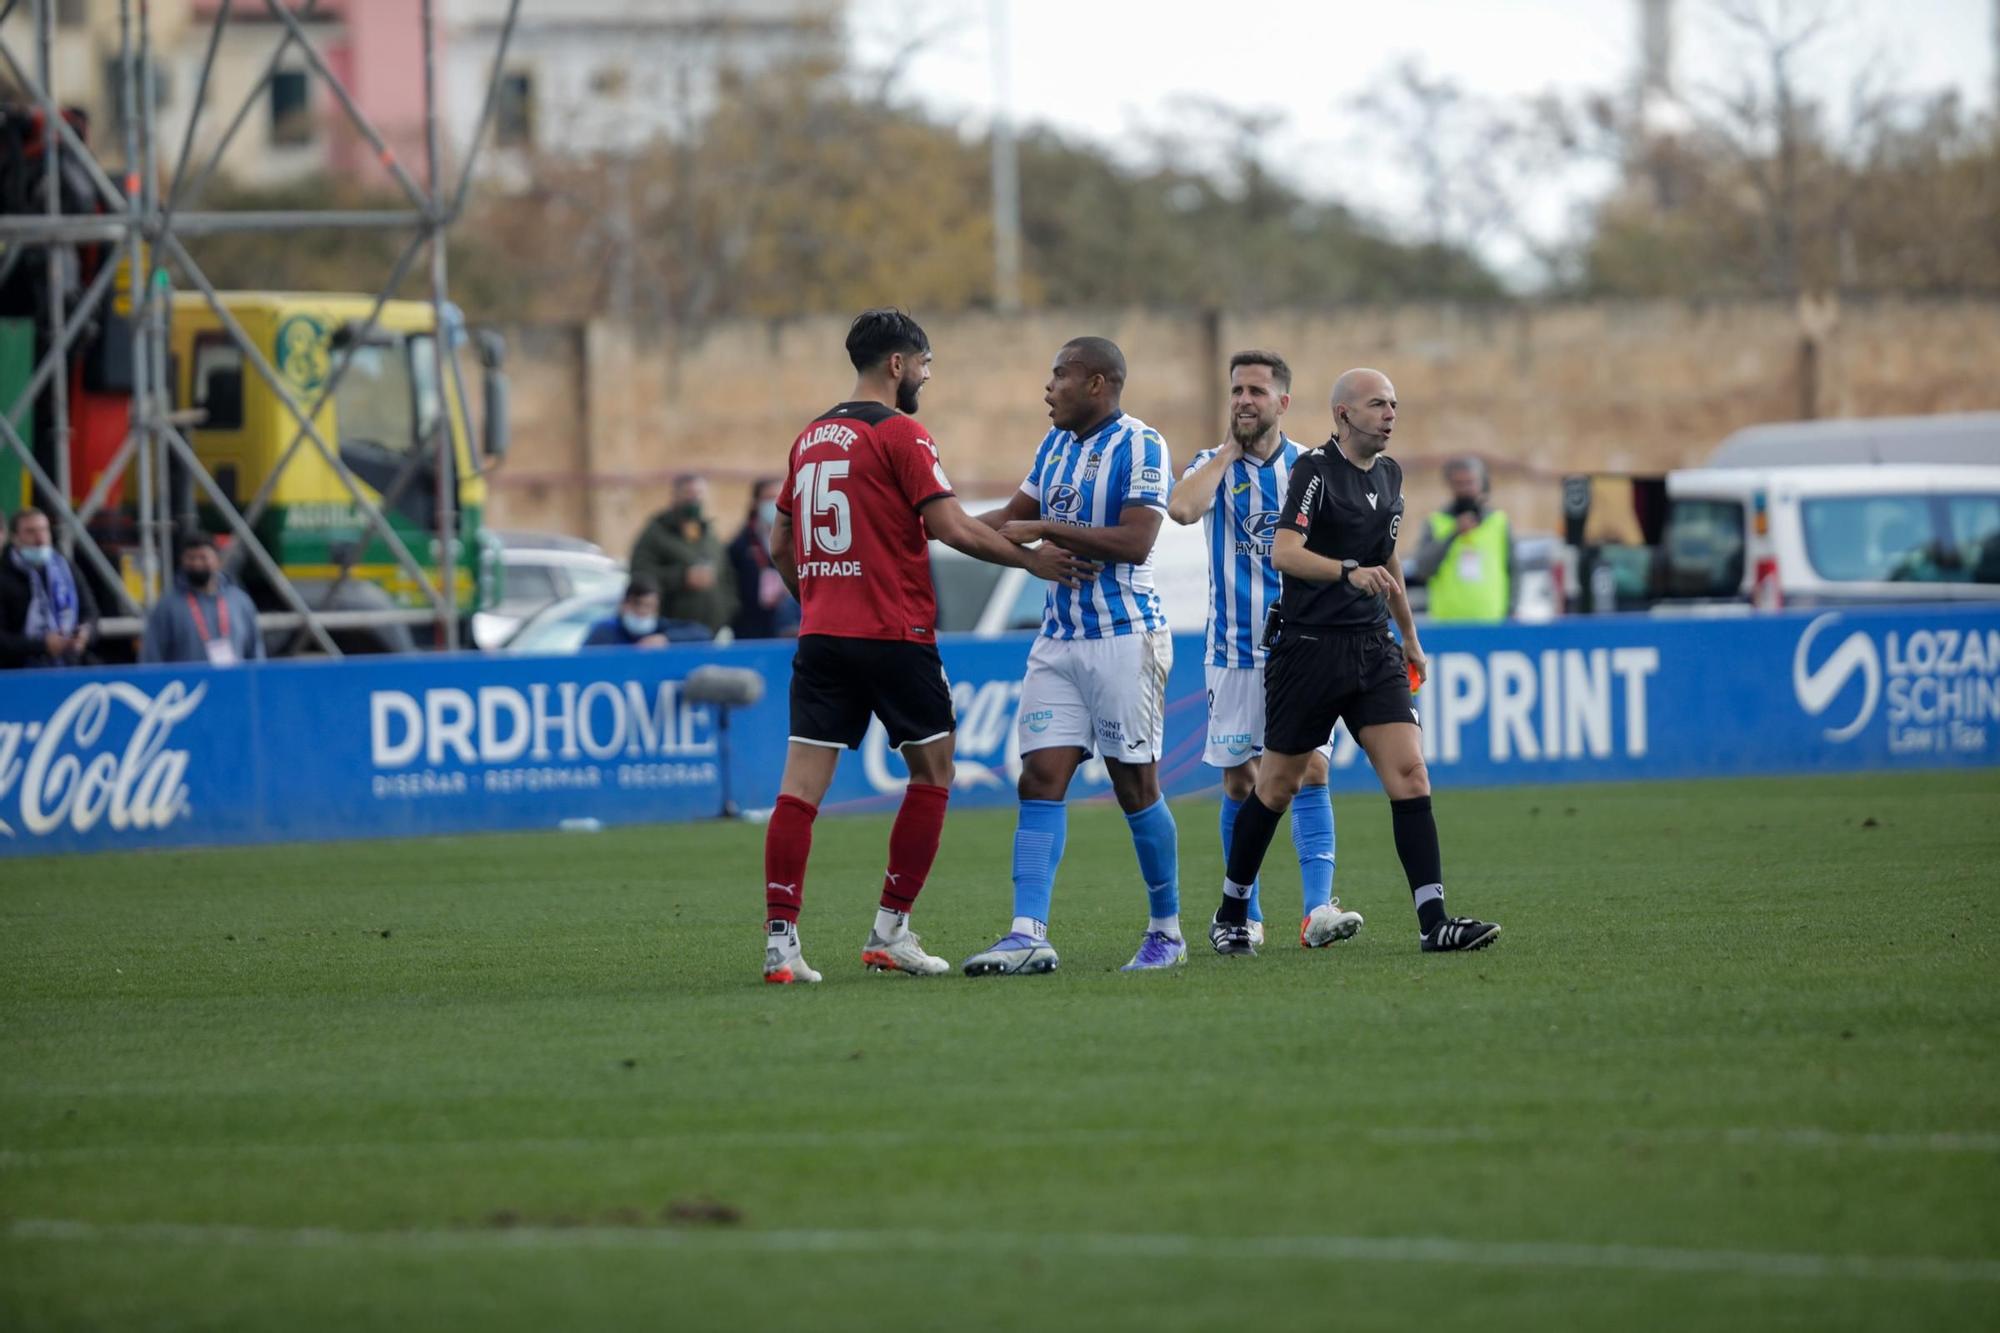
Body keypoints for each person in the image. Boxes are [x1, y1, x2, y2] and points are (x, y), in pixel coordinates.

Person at [760, 309, 1092, 984]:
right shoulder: (901, 432)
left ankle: (781, 945)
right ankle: (890, 931)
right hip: (893, 634)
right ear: (896, 364)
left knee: (798, 792)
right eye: (925, 364)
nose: (927, 376)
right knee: (934, 772)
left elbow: (777, 546)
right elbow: (953, 528)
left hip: (822, 635)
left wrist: (821, 601)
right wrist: (1029, 562)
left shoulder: (808, 438)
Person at [1207, 368, 1500, 956]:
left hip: (1372, 648)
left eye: (1394, 404)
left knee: (1410, 773)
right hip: (1309, 649)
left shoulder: (1390, 475)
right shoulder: (1314, 472)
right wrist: (1346, 571)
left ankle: (1433, 921)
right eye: (1377, 404)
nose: (1390, 414)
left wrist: (1409, 636)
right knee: (1276, 785)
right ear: (1343, 414)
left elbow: (1385, 558)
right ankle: (1232, 909)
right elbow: (1285, 551)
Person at [960, 336, 1185, 976]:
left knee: (1133, 784)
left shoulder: (1142, 444)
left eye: (1060, 375)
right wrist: (930, 523)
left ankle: (1166, 931)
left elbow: (1137, 541)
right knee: (1039, 778)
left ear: (1098, 383)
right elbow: (1008, 517)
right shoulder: (1055, 444)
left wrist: (1045, 530)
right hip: (1057, 639)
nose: (1048, 387)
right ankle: (1028, 932)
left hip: (1124, 636)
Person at [1166, 351, 1361, 952]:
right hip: (1232, 651)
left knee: (1312, 769)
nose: (1244, 400)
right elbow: (1181, 509)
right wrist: (1227, 452)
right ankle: (1241, 915)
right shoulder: (1211, 464)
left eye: (1256, 390)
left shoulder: (1310, 466)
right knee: (1240, 783)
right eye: (1236, 391)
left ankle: (1317, 910)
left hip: (1303, 647)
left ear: (1283, 402)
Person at [630, 474, 738, 634]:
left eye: (699, 493)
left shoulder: (708, 533)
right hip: (675, 632)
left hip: (714, 632)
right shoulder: (656, 533)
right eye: (689, 493)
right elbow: (640, 574)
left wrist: (729, 608)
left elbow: (726, 575)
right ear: (675, 496)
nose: (694, 499)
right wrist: (682, 578)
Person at [1412, 456, 1514, 622]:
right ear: (1450, 486)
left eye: (1470, 482)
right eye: (1459, 484)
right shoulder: (1436, 522)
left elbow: (1513, 570)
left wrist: (1511, 610)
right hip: (1447, 621)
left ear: (1482, 484)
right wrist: (1453, 534)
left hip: (1493, 621)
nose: (1465, 489)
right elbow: (1423, 569)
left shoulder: (1499, 522)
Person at [139, 532, 265, 665]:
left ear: (217, 560)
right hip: (188, 684)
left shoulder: (239, 601)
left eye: (203, 557)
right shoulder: (167, 606)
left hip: (233, 683)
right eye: (191, 558)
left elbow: (255, 651)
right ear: (182, 560)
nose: (197, 563)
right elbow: (151, 656)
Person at [0, 507, 98, 669]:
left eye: (44, 530)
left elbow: (91, 613)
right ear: (15, 538)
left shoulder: (66, 568)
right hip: (17, 673)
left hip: (69, 665)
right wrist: (42, 645)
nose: (40, 539)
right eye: (30, 532)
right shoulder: (4, 574)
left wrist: (85, 634)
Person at [726, 477, 800, 640]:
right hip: (752, 629)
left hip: (791, 628)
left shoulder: (801, 537)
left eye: (778, 497)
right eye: (768, 498)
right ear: (755, 502)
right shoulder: (740, 544)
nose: (774, 503)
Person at [582, 577, 671, 648]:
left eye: (650, 606)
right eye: (637, 604)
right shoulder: (605, 631)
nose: (643, 611)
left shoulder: (661, 629)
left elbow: (683, 632)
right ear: (624, 604)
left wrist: (666, 638)